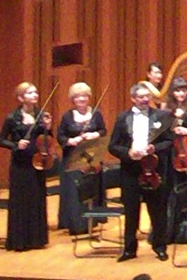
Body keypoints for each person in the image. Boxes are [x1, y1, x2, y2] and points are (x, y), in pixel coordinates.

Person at [113, 80, 173, 261]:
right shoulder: (122, 118)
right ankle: (130, 249)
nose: (145, 100)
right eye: (141, 97)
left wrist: (155, 149)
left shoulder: (161, 116)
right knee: (131, 211)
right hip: (131, 171)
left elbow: (170, 141)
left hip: (154, 169)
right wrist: (128, 153)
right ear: (133, 99)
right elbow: (113, 146)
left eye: (147, 96)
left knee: (157, 211)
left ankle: (160, 247)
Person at [0, 82, 51, 251]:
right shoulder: (12, 118)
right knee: (21, 201)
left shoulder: (41, 114)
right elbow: (1, 140)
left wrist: (48, 128)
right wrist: (16, 144)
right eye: (30, 93)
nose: (35, 95)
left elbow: (47, 138)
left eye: (35, 92)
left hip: (37, 163)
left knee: (36, 199)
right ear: (21, 98)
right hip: (20, 165)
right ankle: (19, 240)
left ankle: (37, 239)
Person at [56, 82, 108, 236]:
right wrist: (70, 141)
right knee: (74, 189)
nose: (81, 99)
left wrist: (95, 134)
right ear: (73, 99)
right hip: (73, 158)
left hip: (91, 158)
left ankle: (92, 221)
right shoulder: (67, 116)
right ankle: (76, 223)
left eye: (84, 96)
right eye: (78, 96)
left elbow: (103, 130)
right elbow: (60, 136)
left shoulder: (96, 113)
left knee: (91, 187)